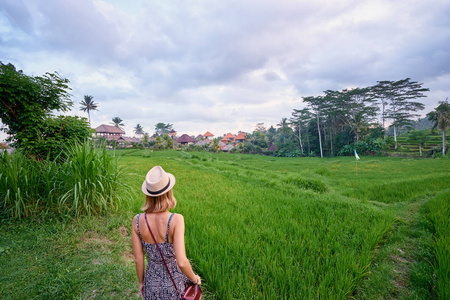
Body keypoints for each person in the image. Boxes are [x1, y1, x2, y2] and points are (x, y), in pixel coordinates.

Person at [132, 166, 201, 299]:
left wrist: (142, 282)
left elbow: (138, 259)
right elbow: (181, 262)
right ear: (169, 192)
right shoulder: (176, 220)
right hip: (174, 281)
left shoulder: (137, 220)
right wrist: (194, 278)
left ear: (148, 194)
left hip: (151, 281)